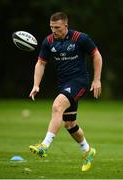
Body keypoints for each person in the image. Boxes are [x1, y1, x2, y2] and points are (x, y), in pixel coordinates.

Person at [29, 12, 102, 172]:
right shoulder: (48, 41)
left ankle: (44, 145)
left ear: (65, 26)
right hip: (64, 84)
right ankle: (87, 150)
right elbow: (41, 63)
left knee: (57, 106)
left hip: (79, 81)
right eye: (51, 27)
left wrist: (96, 80)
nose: (54, 30)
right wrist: (36, 85)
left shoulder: (80, 38)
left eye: (57, 27)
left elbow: (96, 55)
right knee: (70, 124)